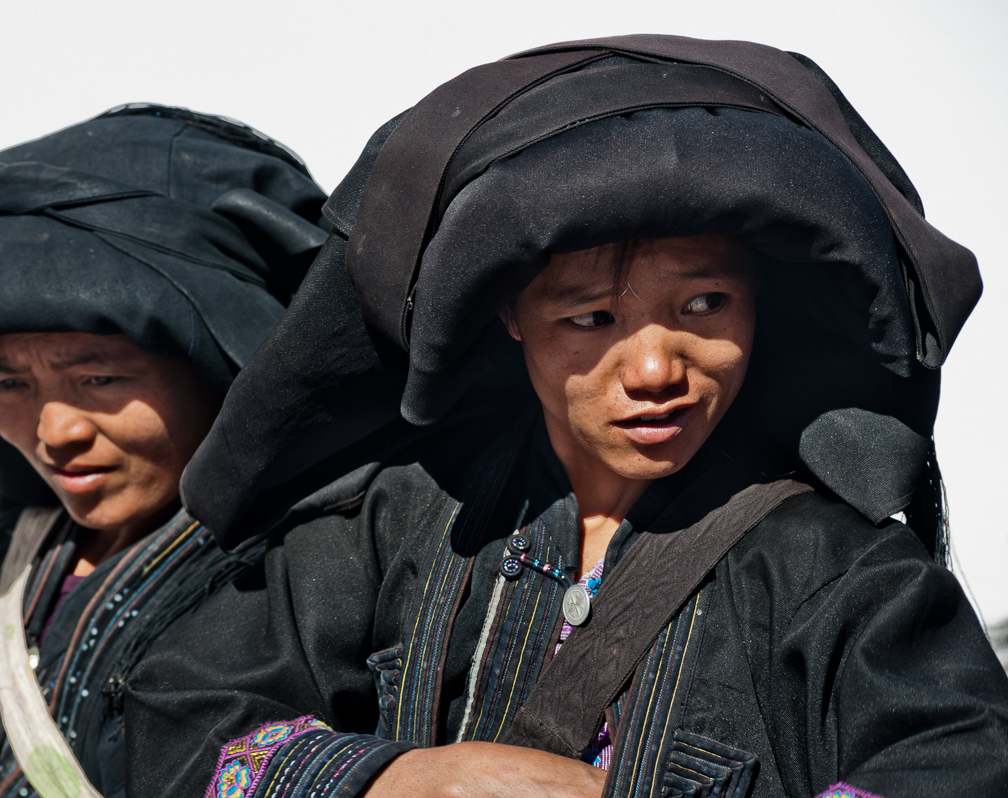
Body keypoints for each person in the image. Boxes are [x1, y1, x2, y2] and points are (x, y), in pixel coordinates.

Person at [124, 36, 1008, 798]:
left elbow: (958, 767)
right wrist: (403, 778)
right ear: (511, 321)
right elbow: (181, 712)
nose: (659, 369)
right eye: (591, 320)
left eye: (705, 305)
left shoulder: (840, 572)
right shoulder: (398, 521)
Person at [0, 105, 328, 798]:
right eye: (8, 382)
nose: (55, 432)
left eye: (99, 378)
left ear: (222, 370)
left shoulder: (324, 575)